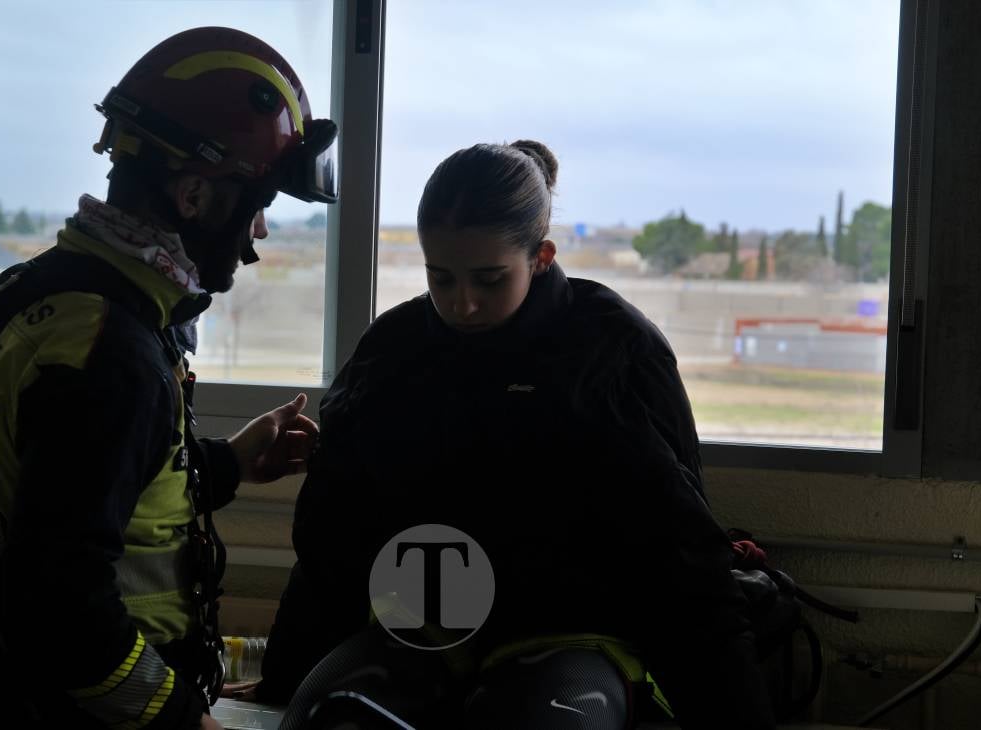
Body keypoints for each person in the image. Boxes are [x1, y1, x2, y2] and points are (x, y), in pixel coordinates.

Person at [252, 140, 776, 728]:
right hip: (423, 629)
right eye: (440, 278)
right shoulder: (394, 351)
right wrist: (281, 681)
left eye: (489, 280)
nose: (463, 304)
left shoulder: (611, 350)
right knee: (331, 719)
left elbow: (683, 555)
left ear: (541, 257)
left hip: (575, 634)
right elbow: (332, 534)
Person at [0, 27, 335, 729]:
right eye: (258, 205)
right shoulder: (112, 355)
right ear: (194, 194)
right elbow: (64, 605)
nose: (258, 233)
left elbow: (98, 492)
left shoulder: (67, 295)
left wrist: (230, 463)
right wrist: (183, 719)